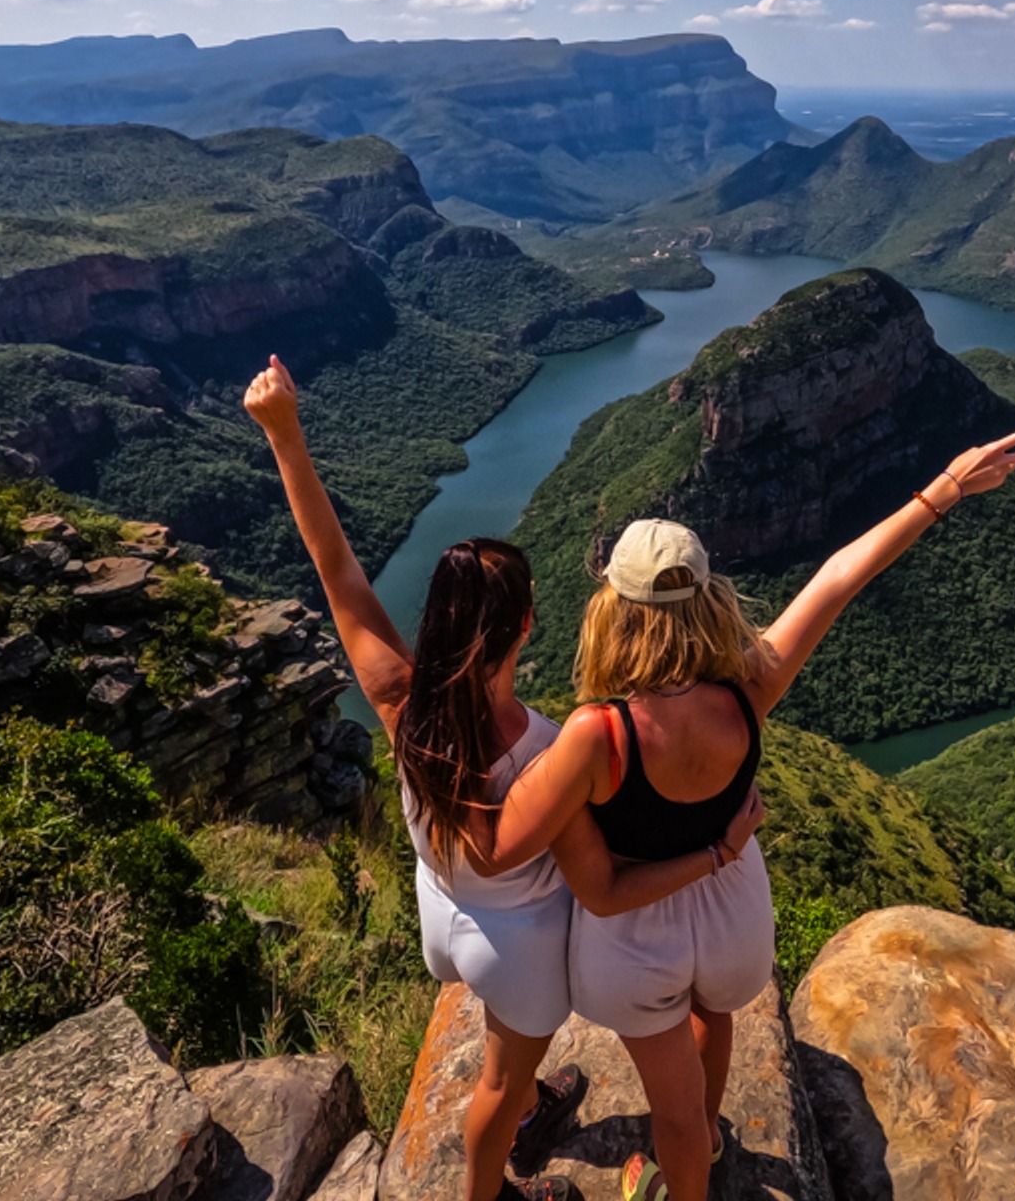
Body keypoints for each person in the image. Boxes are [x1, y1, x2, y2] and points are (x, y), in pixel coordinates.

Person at [481, 425, 1015, 1201]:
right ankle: (708, 1142)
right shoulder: (751, 691)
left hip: (634, 935)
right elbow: (839, 577)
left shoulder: (596, 735)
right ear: (709, 597)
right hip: (732, 920)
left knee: (670, 1110)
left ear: (614, 611)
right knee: (713, 1019)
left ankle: (679, 1169)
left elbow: (507, 848)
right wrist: (945, 488)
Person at [245, 357, 765, 1201]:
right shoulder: (557, 748)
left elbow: (337, 574)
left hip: (441, 919)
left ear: (439, 623)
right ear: (527, 625)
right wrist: (715, 847)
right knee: (494, 1083)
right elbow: (601, 873)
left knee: (504, 1074)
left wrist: (285, 435)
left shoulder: (397, 702)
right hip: (512, 950)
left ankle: (526, 1110)